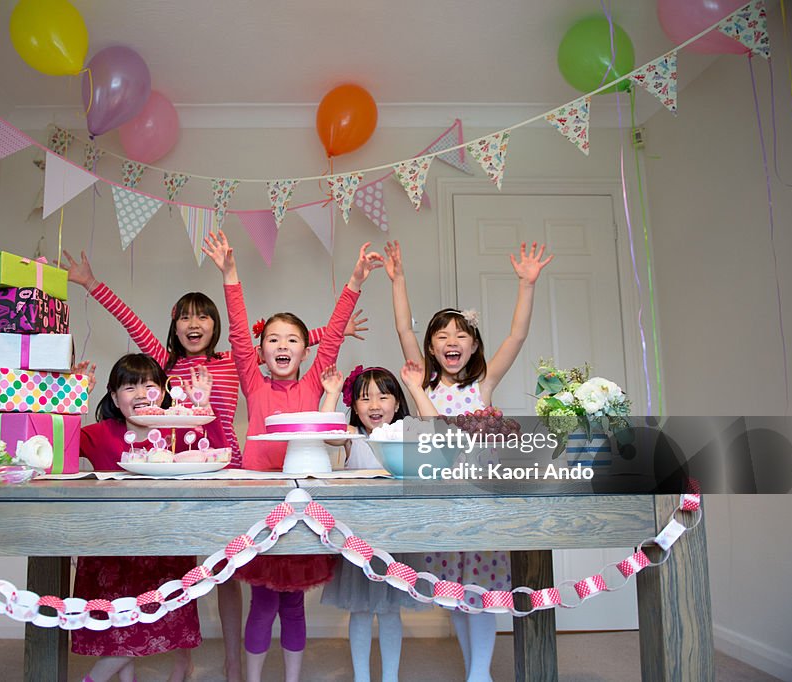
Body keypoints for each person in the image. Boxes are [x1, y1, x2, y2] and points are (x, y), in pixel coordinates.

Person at [60, 250, 366, 681]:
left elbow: (267, 340)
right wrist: (92, 283)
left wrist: (327, 327)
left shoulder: (231, 363)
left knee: (228, 569)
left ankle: (233, 661)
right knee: (181, 562)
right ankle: (180, 650)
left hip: (233, 466)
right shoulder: (164, 365)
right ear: (175, 325)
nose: (193, 324)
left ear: (213, 325)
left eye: (202, 317)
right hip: (177, 467)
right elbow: (134, 322)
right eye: (184, 317)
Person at [202, 230, 383, 682]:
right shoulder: (254, 383)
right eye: (274, 341)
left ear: (307, 350)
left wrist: (355, 281)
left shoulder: (313, 383)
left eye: (293, 341)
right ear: (261, 353)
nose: (282, 346)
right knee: (262, 601)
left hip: (302, 501)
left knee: (293, 604)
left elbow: (336, 332)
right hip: (258, 501)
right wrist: (231, 274)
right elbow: (240, 334)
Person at [384, 239, 552, 682]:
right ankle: (475, 670)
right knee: (455, 597)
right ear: (432, 349)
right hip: (442, 507)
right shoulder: (425, 383)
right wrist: (398, 280)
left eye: (461, 335)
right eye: (442, 337)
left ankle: (480, 675)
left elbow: (517, 336)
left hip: (481, 507)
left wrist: (526, 286)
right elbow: (404, 329)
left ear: (475, 346)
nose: (451, 341)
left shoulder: (482, 388)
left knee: (479, 595)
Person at [75, 354, 217, 682]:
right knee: (118, 626)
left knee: (146, 621)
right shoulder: (98, 434)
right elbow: (61, 449)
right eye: (129, 386)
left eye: (149, 385)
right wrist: (74, 398)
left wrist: (203, 408)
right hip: (109, 548)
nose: (140, 393)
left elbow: (215, 454)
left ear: (163, 393)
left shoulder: (179, 431)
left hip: (163, 544)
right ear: (113, 397)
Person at [317, 363, 435, 682]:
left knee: (389, 610)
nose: (374, 405)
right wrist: (330, 393)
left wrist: (415, 387)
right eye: (365, 398)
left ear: (396, 404)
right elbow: (326, 434)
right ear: (354, 406)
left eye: (383, 397)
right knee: (360, 611)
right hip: (358, 537)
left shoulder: (403, 434)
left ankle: (391, 677)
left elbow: (434, 427)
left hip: (395, 536)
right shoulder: (352, 436)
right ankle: (361, 677)